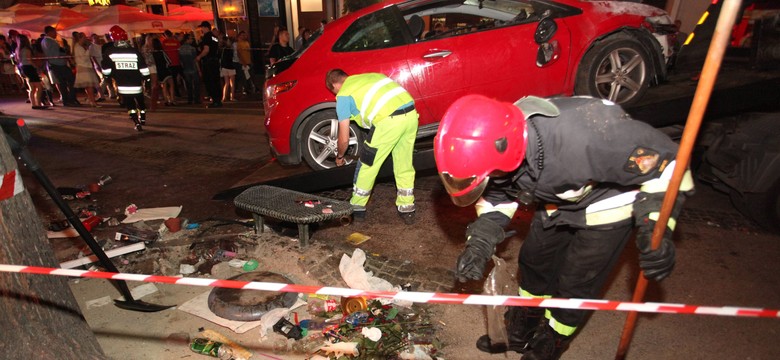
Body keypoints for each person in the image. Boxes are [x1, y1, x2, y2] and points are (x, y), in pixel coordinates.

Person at [433, 94, 694, 360]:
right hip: (555, 199)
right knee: (534, 261)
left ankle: (554, 339)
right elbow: (499, 196)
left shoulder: (590, 136)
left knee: (577, 280)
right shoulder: (500, 151)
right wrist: (481, 240)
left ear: (507, 151)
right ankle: (522, 327)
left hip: (610, 203)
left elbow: (669, 167)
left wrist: (655, 226)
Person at [325, 69, 419, 224]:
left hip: (388, 122)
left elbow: (343, 139)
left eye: (334, 92)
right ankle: (407, 209)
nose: (336, 97)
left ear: (335, 85)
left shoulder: (344, 94)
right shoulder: (373, 76)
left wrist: (340, 156)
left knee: (368, 163)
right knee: (404, 164)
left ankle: (357, 209)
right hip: (410, 116)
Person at [102, 25, 150, 131]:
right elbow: (143, 67)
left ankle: (136, 122)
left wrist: (108, 77)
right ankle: (142, 118)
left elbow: (106, 69)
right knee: (140, 101)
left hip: (123, 84)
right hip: (136, 82)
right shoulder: (134, 51)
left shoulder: (109, 52)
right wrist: (147, 79)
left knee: (130, 104)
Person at [41, 26, 78, 106]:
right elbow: (55, 54)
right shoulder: (49, 41)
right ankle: (70, 99)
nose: (56, 34)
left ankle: (67, 99)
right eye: (54, 32)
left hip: (55, 63)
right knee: (70, 80)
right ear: (49, 32)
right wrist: (64, 53)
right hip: (58, 63)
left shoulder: (45, 41)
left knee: (63, 83)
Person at [15, 34, 47, 109]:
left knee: (32, 88)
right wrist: (36, 67)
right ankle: (38, 103)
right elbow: (29, 60)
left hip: (23, 68)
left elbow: (18, 60)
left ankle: (34, 104)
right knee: (39, 87)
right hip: (29, 67)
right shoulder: (27, 49)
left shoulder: (18, 49)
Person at [195, 21, 222, 108]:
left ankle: (215, 100)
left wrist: (199, 57)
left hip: (209, 62)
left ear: (206, 27)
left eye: (202, 27)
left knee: (209, 81)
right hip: (215, 61)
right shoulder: (214, 37)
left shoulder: (206, 37)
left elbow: (206, 50)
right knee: (216, 80)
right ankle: (218, 100)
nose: (201, 29)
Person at [73, 33, 101, 107]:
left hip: (85, 66)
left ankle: (91, 100)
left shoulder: (79, 46)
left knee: (88, 85)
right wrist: (88, 50)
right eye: (84, 37)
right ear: (81, 38)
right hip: (84, 67)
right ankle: (92, 101)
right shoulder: (78, 47)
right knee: (89, 85)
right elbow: (84, 57)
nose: (85, 38)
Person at [178, 33, 201, 105]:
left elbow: (180, 61)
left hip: (186, 69)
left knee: (189, 85)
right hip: (193, 68)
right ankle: (196, 99)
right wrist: (199, 70)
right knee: (196, 84)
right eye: (191, 38)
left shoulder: (180, 49)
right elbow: (195, 60)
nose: (192, 40)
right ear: (187, 39)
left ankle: (190, 99)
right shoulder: (192, 49)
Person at [161, 30, 182, 101]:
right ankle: (178, 93)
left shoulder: (164, 43)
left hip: (170, 64)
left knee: (172, 81)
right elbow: (180, 52)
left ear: (165, 35)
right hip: (177, 62)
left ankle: (174, 94)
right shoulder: (176, 42)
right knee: (179, 79)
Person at [234, 31, 254, 96]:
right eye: (242, 35)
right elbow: (239, 54)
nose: (244, 36)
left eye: (244, 35)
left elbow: (249, 52)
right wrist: (243, 62)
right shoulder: (239, 44)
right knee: (244, 77)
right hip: (243, 62)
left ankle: (250, 88)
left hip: (248, 61)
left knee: (250, 75)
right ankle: (245, 89)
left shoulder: (246, 42)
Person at [220, 35, 236, 102]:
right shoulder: (230, 49)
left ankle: (224, 97)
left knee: (226, 83)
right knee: (232, 83)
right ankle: (232, 97)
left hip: (224, 67)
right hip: (230, 67)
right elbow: (232, 58)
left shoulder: (223, 49)